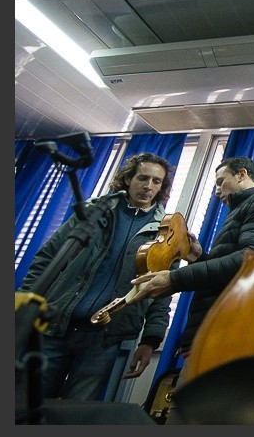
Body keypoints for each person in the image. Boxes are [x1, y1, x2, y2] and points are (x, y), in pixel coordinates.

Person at [18, 152, 177, 401]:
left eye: (156, 181)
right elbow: (47, 259)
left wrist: (150, 339)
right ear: (128, 179)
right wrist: (24, 305)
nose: (148, 186)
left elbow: (162, 291)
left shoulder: (165, 233)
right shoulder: (93, 212)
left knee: (76, 412)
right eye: (143, 178)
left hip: (104, 339)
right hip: (55, 327)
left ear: (162, 187)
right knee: (26, 404)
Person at [131, 156, 254, 359]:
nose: (217, 191)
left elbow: (253, 261)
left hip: (228, 333)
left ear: (241, 174)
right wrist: (199, 257)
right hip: (217, 330)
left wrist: (174, 279)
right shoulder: (243, 208)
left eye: (221, 182)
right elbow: (226, 277)